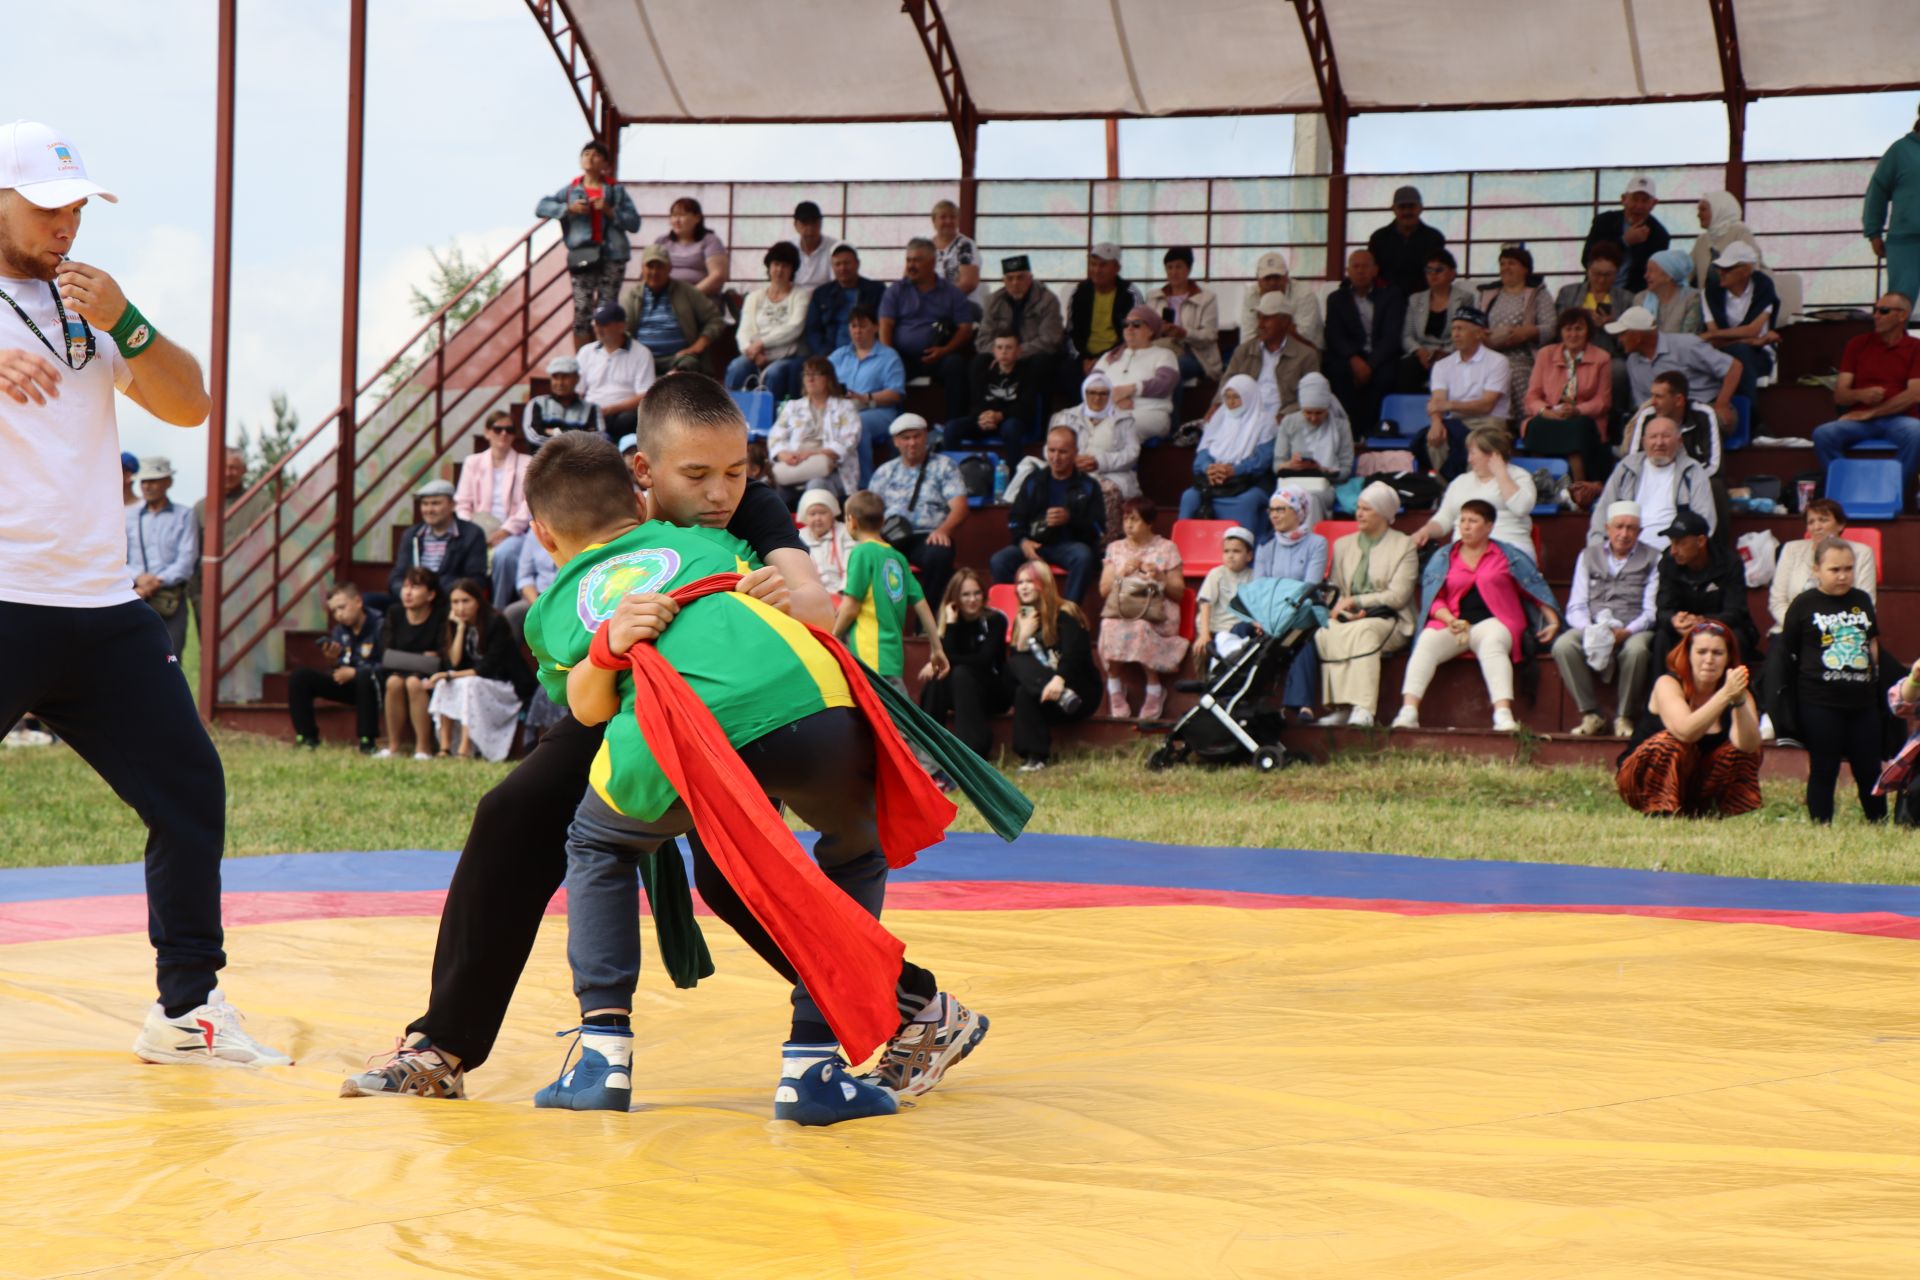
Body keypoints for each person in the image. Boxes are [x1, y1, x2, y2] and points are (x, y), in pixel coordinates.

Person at [340, 373, 842, 1103]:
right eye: (697, 475)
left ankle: (911, 1007)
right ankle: (443, 1045)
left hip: (725, 713)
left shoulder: (750, 509)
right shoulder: (608, 517)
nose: (719, 494)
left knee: (733, 883)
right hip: (631, 703)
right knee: (513, 814)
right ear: (643, 476)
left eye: (734, 473)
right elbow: (578, 688)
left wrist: (783, 594)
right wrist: (604, 653)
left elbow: (816, 606)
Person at [513, 431, 978, 1124]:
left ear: (544, 535)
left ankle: (603, 1057)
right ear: (640, 501)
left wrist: (610, 643)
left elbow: (588, 705)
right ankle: (812, 1069)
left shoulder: (553, 607)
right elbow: (788, 607)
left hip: (679, 737)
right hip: (817, 713)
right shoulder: (709, 544)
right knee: (852, 851)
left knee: (599, 844)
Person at [0, 120, 290, 1065]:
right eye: (47, 206)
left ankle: (187, 1011)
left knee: (187, 789)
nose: (66, 223)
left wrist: (128, 321)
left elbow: (188, 403)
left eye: (77, 206)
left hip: (97, 605)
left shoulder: (90, 302)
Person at [1392, 499, 1561, 733]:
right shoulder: (1444, 556)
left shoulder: (1507, 554)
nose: (1466, 526)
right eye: (1462, 520)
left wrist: (1552, 620)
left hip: (1496, 621)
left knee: (1493, 643)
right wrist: (1449, 620)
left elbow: (1533, 587)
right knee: (1426, 643)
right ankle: (1408, 712)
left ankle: (1503, 715)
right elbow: (1434, 599)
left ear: (1489, 526)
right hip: (1453, 622)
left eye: (1473, 521)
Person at [1773, 539, 1884, 824]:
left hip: (1862, 701)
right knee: (1824, 766)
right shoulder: (1804, 603)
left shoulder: (1861, 599)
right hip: (1819, 701)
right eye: (1835, 569)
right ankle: (1821, 825)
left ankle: (1879, 822)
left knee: (1869, 768)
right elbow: (1790, 649)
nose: (1843, 575)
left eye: (1848, 569)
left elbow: (1871, 641)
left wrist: (1875, 676)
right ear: (1816, 570)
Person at [1615, 621, 1762, 818]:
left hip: (1695, 782)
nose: (1709, 660)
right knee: (1670, 743)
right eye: (1701, 652)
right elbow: (1686, 732)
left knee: (1744, 748)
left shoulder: (1737, 692)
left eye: (1717, 653)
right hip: (1640, 781)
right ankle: (1660, 811)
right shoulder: (1668, 683)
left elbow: (1749, 746)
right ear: (1688, 655)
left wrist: (1738, 702)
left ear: (1728, 659)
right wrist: (1725, 695)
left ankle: (1709, 811)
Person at [1315, 481, 1418, 729]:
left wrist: (1358, 601)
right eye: (1358, 507)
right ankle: (1341, 706)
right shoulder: (1342, 545)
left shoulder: (1404, 545)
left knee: (1365, 631)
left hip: (1390, 618)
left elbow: (1398, 596)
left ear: (1383, 513)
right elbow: (1335, 588)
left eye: (1366, 509)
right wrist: (1343, 608)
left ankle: (1363, 708)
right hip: (1350, 615)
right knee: (1325, 630)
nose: (1358, 513)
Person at [1554, 501, 1660, 738]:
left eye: (1631, 528)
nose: (1624, 534)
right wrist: (1590, 630)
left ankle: (1624, 716)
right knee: (1563, 645)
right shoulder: (1588, 555)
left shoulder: (1653, 557)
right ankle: (1591, 714)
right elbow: (1576, 605)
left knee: (1637, 651)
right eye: (1619, 527)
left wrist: (1628, 631)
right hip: (1593, 625)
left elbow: (1651, 611)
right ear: (1607, 528)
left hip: (1634, 626)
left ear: (1640, 532)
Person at [834, 489, 949, 697]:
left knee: (890, 723)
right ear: (882, 521)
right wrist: (936, 648)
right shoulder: (899, 558)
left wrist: (833, 637)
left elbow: (851, 606)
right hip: (893, 657)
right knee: (895, 717)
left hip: (867, 655)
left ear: (851, 521)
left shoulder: (861, 552)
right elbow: (922, 605)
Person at [1810, 293, 1920, 495]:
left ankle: (1893, 494)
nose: (1876, 315)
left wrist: (1872, 412)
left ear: (1902, 316)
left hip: (1899, 419)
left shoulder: (1916, 347)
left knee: (1916, 432)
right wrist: (1860, 395)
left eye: (1883, 311)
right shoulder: (1857, 344)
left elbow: (1914, 394)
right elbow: (1840, 395)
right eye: (1875, 310)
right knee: (1823, 434)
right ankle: (1847, 489)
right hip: (1859, 420)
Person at [536, 139, 641, 347]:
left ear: (606, 164)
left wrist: (609, 210)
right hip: (582, 255)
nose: (590, 158)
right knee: (582, 309)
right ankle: (585, 365)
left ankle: (607, 355)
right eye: (586, 153)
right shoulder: (571, 190)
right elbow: (541, 207)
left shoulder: (615, 191)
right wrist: (568, 209)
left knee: (607, 310)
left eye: (596, 154)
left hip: (613, 255)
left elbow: (634, 223)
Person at [1097, 496, 1187, 721]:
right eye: (1126, 519)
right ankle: (1115, 688)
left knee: (1140, 626)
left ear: (1148, 523)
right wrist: (1121, 573)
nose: (1128, 525)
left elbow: (1179, 592)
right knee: (1109, 625)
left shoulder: (1167, 548)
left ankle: (1155, 689)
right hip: (1121, 609)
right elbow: (1104, 590)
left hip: (1157, 612)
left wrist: (1160, 576)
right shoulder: (1115, 548)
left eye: (1134, 520)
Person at [989, 426, 1103, 603]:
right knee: (999, 561)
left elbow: (1098, 528)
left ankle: (1068, 614)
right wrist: (1023, 541)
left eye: (1063, 452)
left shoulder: (1088, 485)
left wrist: (1070, 519)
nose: (1056, 458)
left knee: (1083, 556)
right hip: (1035, 545)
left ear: (1075, 452)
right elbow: (1015, 519)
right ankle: (1019, 612)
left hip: (1069, 546)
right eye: (1052, 450)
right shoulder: (1034, 480)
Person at [426, 578, 534, 761]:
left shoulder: (496, 622)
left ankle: (465, 748)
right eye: (455, 602)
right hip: (475, 682)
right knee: (445, 684)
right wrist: (460, 629)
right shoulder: (452, 624)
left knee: (468, 683)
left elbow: (488, 668)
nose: (460, 607)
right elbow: (453, 664)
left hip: (505, 685)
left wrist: (451, 674)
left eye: (465, 601)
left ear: (478, 601)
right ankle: (445, 747)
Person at [1005, 557, 1098, 771]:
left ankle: (1035, 754)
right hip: (1046, 694)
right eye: (1020, 583)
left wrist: (1059, 680)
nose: (1024, 587)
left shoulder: (1066, 613)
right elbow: (1017, 667)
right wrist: (1022, 638)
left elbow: (1076, 655)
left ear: (1044, 583)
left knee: (1023, 682)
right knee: (1020, 684)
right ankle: (1034, 758)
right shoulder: (1023, 618)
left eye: (1030, 581)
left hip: (1077, 692)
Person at [868, 413, 968, 605]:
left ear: (925, 437)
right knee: (868, 553)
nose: (912, 443)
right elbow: (870, 512)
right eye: (906, 438)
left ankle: (928, 619)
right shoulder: (884, 472)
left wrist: (944, 530)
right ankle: (882, 619)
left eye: (917, 436)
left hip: (928, 536)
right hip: (892, 536)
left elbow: (960, 507)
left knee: (940, 552)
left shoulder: (944, 466)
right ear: (896, 442)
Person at [1605, 306, 1741, 439]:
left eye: (1622, 334)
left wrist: (1722, 404)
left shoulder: (1685, 345)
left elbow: (1734, 367)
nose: (1620, 340)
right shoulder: (1632, 362)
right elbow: (1643, 404)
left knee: (1684, 432)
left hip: (1705, 407)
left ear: (1637, 336)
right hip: (1665, 417)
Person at [1250, 486, 1328, 713]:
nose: (1274, 515)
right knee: (1238, 631)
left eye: (1281, 509)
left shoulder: (1317, 543)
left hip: (1301, 610)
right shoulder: (1266, 544)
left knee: (1301, 639)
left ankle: (1300, 705)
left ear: (1298, 511)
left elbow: (1309, 586)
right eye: (1272, 510)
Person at [879, 237, 975, 421]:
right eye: (909, 260)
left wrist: (945, 350)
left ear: (932, 262)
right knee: (888, 368)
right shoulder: (895, 291)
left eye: (917, 260)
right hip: (903, 356)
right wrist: (890, 357)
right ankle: (893, 424)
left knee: (955, 365)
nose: (911, 265)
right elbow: (885, 325)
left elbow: (965, 328)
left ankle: (954, 426)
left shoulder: (951, 292)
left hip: (938, 355)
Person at [917, 568, 1009, 760]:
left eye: (977, 593)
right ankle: (928, 750)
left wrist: (937, 660)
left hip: (994, 690)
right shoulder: (949, 621)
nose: (972, 599)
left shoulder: (995, 620)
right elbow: (946, 659)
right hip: (961, 690)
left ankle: (971, 754)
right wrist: (951, 625)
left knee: (960, 673)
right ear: (955, 598)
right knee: (938, 681)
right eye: (965, 595)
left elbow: (983, 661)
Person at [1589, 416, 1714, 553]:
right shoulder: (1627, 467)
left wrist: (1684, 552)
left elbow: (1705, 520)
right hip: (1625, 551)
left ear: (1679, 442)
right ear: (1644, 442)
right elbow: (1602, 514)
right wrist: (1597, 551)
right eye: (1653, 437)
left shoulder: (1692, 470)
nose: (1659, 443)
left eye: (1666, 436)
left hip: (1672, 555)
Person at [289, 581, 383, 752]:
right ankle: (307, 737)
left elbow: (388, 665)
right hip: (347, 683)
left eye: (342, 607)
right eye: (334, 611)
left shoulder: (380, 625)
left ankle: (367, 740)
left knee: (364, 678)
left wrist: (356, 672)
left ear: (358, 602)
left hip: (374, 686)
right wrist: (332, 661)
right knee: (300, 676)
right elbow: (340, 664)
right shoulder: (340, 630)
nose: (339, 615)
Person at [1521, 308, 1613, 482]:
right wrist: (1544, 411)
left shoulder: (1602, 358)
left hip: (1584, 417)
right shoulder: (1545, 355)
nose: (1573, 334)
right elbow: (1532, 396)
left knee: (1576, 428)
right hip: (1550, 413)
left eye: (1579, 329)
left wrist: (1577, 410)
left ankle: (1580, 487)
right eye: (1568, 329)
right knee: (1537, 425)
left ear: (1588, 332)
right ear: (1560, 332)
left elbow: (1603, 401)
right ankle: (1540, 485)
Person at [1651, 509, 1756, 660]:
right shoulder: (1668, 562)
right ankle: (1661, 683)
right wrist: (1674, 620)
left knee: (1737, 636)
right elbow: (1663, 610)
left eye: (1680, 543)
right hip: (1684, 627)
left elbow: (1735, 612)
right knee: (1662, 636)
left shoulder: (1730, 562)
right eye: (1672, 543)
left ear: (1700, 541)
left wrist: (1703, 622)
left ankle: (1733, 683)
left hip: (1720, 624)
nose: (1673, 551)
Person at [1415, 425, 1536, 555]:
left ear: (1492, 454)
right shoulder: (1460, 481)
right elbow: (1445, 518)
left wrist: (1501, 473)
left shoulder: (1519, 476)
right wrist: (1425, 531)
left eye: (1473, 453)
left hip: (1510, 550)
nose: (1469, 460)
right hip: (1464, 554)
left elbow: (1521, 507)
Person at [455, 410, 532, 607]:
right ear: (487, 432)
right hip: (477, 529)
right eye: (498, 429)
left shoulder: (527, 463)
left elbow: (529, 504)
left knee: (504, 554)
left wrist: (506, 531)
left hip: (514, 532)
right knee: (460, 549)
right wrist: (472, 531)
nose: (503, 434)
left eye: (509, 430)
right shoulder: (473, 462)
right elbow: (463, 503)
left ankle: (498, 609)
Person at [1422, 305, 1510, 477]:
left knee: (1482, 441)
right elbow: (1436, 401)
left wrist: (1448, 404)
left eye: (1461, 329)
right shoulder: (1442, 365)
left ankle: (1476, 492)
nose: (1455, 334)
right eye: (1454, 329)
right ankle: (1446, 491)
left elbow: (1486, 406)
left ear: (1478, 333)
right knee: (1436, 439)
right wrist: (1436, 423)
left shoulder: (1498, 362)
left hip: (1488, 421)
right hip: (1457, 421)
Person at [1324, 247, 1405, 432]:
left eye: (1365, 266)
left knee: (1387, 376)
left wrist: (1370, 365)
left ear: (1375, 270)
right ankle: (1347, 432)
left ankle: (1376, 430)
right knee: (1337, 372)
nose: (1361, 271)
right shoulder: (1336, 298)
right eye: (1356, 266)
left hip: (1380, 356)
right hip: (1351, 356)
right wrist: (1354, 359)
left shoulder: (1391, 295)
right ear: (1348, 271)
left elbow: (1392, 335)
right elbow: (1334, 335)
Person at [1181, 374, 1276, 531]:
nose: (1231, 403)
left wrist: (1233, 470)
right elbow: (1202, 455)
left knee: (1247, 501)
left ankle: (1241, 551)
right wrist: (1209, 468)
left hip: (1248, 483)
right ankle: (1186, 549)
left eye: (1236, 397)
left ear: (1249, 397)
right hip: (1215, 482)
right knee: (1189, 496)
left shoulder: (1265, 422)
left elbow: (1261, 460)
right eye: (1227, 397)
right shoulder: (1219, 418)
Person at [1477, 244, 1556, 426]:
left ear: (1525, 268)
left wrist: (1529, 332)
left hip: (1524, 358)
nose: (1505, 268)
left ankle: (1523, 427)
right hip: (1490, 356)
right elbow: (1475, 324)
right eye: (1502, 263)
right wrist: (1485, 337)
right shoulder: (1488, 294)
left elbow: (1551, 327)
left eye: (1511, 263)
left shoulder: (1539, 294)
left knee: (1513, 374)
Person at [125, 455, 197, 656]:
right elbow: (119, 559)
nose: (147, 486)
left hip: (170, 598)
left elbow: (186, 560)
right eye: (144, 481)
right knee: (132, 657)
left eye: (153, 480)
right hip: (135, 596)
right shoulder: (129, 518)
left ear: (168, 482)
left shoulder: (184, 515)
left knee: (170, 657)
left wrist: (155, 582)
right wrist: (139, 578)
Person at [1055, 371, 1139, 537]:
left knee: (1105, 490)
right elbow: (1049, 448)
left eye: (1103, 393)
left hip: (1110, 474)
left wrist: (1099, 462)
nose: (1097, 398)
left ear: (1110, 395)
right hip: (1070, 470)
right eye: (1091, 393)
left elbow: (1132, 453)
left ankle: (1105, 543)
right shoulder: (1066, 417)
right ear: (1084, 393)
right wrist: (1070, 462)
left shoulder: (1124, 419)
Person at [725, 241, 812, 400]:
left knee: (774, 373)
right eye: (776, 264)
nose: (779, 270)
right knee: (736, 367)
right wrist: (751, 351)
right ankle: (727, 417)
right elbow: (744, 331)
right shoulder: (754, 297)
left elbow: (794, 328)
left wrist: (761, 343)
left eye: (785, 265)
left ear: (792, 269)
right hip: (753, 354)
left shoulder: (800, 296)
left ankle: (769, 420)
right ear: (769, 267)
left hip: (784, 356)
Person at [1214, 291, 1315, 427]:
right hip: (1242, 414)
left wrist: (1287, 414)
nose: (1260, 324)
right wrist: (1216, 405)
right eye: (1259, 317)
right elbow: (1226, 384)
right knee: (1209, 442)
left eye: (1267, 318)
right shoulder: (1244, 351)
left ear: (1285, 322)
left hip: (1281, 418)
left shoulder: (1306, 355)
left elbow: (1311, 396)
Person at [829, 305, 907, 482]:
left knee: (857, 424)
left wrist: (867, 397)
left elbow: (896, 394)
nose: (857, 331)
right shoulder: (839, 355)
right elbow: (821, 377)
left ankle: (865, 484)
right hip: (841, 408)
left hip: (877, 410)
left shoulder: (889, 356)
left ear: (876, 327)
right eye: (854, 326)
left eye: (863, 326)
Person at [377, 566, 447, 760]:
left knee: (414, 683)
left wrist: (408, 659)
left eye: (415, 587)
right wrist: (422, 658)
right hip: (398, 673)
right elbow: (386, 654)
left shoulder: (440, 615)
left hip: (430, 677)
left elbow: (441, 657)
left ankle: (423, 749)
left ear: (431, 594)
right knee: (393, 682)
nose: (407, 592)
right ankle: (393, 747)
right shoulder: (395, 612)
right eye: (405, 586)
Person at [767, 356, 860, 500]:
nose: (810, 379)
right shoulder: (792, 406)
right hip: (796, 464)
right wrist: (783, 455)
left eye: (815, 374)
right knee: (775, 491)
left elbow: (848, 442)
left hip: (834, 471)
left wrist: (813, 453)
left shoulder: (845, 407)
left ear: (828, 379)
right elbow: (775, 436)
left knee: (815, 486)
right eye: (806, 374)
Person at [622, 244, 725, 375]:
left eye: (660, 267)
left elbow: (715, 319)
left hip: (677, 358)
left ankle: (673, 379)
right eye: (650, 266)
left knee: (689, 363)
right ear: (642, 269)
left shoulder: (687, 291)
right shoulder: (631, 296)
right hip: (641, 358)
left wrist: (695, 348)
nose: (654, 272)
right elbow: (622, 330)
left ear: (670, 269)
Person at [1701, 241, 1781, 401]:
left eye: (1727, 269)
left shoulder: (1763, 287)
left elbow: (1752, 330)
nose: (1720, 273)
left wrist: (1714, 336)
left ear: (1746, 270)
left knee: (1740, 355)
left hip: (1759, 355)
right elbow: (1715, 340)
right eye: (1718, 268)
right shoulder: (1710, 292)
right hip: (1722, 352)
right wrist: (1753, 341)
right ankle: (1750, 418)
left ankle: (1746, 415)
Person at [973, 255, 1064, 390]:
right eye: (1010, 278)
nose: (1015, 283)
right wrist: (1001, 353)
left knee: (1041, 363)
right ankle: (981, 410)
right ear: (1003, 281)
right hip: (1000, 356)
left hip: (1033, 354)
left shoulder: (1047, 300)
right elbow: (982, 341)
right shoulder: (993, 301)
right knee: (979, 362)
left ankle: (1039, 410)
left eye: (1020, 277)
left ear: (1030, 278)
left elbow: (1051, 340)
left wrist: (1016, 353)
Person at [389, 478, 488, 599]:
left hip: (450, 600)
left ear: (452, 505)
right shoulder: (411, 534)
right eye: (425, 504)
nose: (429, 510)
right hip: (414, 600)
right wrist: (405, 592)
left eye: (435, 503)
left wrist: (432, 593)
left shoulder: (472, 534)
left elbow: (476, 578)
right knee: (370, 600)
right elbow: (398, 574)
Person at [1094, 306, 1181, 440]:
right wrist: (1112, 403)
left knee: (1114, 427)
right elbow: (1092, 385)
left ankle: (1094, 460)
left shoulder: (1164, 354)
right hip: (1110, 410)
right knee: (1065, 423)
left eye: (1136, 324)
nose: (1129, 328)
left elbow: (1164, 384)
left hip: (1150, 413)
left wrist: (1131, 389)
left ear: (1150, 330)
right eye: (1126, 324)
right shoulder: (1109, 356)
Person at [1273, 372, 1354, 513]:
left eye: (1319, 413)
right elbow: (1276, 466)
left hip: (1325, 486)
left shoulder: (1341, 426)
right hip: (1292, 484)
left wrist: (1323, 471)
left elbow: (1346, 469)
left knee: (1310, 499)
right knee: (1288, 499)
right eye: (1308, 412)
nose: (1313, 418)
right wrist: (1290, 465)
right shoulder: (1289, 422)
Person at [1397, 248, 1475, 394]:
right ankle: (1410, 413)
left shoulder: (1465, 298)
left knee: (1455, 367)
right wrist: (1419, 351)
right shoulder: (1415, 299)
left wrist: (1445, 353)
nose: (1433, 275)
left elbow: (1466, 333)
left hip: (1451, 352)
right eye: (1429, 270)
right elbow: (1407, 336)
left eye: (1439, 270)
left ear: (1452, 273)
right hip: (1422, 353)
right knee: (1405, 368)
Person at [1621, 370, 1724, 479]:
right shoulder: (1647, 415)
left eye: (1659, 396)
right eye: (1652, 395)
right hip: (1655, 479)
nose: (1653, 402)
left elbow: (1713, 466)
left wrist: (1678, 482)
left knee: (1714, 486)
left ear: (1679, 400)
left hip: (1694, 481)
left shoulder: (1704, 414)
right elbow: (1635, 460)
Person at [576, 301, 655, 441]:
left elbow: (645, 395)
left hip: (623, 416)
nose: (598, 329)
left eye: (604, 325)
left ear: (621, 326)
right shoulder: (586, 352)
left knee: (629, 420)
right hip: (591, 413)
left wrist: (609, 409)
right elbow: (578, 390)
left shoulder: (641, 353)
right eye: (596, 324)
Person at [1866, 108, 1920, 305]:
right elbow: (1877, 191)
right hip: (1905, 241)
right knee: (1899, 303)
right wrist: (1874, 233)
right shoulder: (1899, 151)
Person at [950, 332, 1039, 449]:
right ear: (994, 351)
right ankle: (952, 465)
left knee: (1011, 428)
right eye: (999, 347)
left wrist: (1000, 415)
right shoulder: (983, 372)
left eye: (1009, 347)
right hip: (985, 421)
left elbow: (1026, 407)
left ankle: (1013, 467)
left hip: (1009, 421)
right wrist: (984, 416)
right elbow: (976, 402)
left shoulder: (1027, 373)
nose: (1004, 352)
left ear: (1019, 351)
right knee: (952, 428)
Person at [1583, 174, 1670, 294]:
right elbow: (1586, 259)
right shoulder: (1604, 221)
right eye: (1635, 199)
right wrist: (1624, 242)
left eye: (1644, 201)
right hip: (1595, 289)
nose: (1639, 206)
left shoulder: (1659, 235)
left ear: (1653, 204)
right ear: (1623, 199)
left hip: (1631, 296)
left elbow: (1652, 275)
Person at [1145, 246, 1221, 381]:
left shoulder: (1206, 298)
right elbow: (1144, 330)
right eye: (1169, 267)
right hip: (1160, 349)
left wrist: (1184, 333)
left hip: (1195, 354)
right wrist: (1159, 330)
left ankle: (1169, 403)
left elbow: (1210, 335)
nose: (1174, 272)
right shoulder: (1153, 297)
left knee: (1172, 367)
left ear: (1189, 269)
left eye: (1179, 267)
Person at [1068, 242, 1143, 374]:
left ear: (1117, 268)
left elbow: (1135, 335)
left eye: (1103, 265)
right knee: (1062, 370)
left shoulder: (1130, 293)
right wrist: (1083, 359)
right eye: (1093, 264)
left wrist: (1104, 359)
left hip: (1119, 355)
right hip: (1084, 357)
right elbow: (1071, 332)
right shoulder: (1079, 292)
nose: (1097, 270)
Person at [1194, 526, 1257, 674]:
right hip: (1215, 629)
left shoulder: (1253, 576)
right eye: (1226, 551)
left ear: (1249, 556)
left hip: (1239, 631)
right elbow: (1205, 604)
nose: (1230, 555)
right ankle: (1205, 685)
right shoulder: (1216, 574)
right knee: (1201, 650)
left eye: (1236, 551)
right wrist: (1204, 634)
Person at [803, 244, 885, 359]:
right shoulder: (821, 293)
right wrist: (826, 353)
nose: (842, 268)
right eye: (838, 264)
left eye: (847, 263)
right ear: (832, 267)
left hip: (866, 352)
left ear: (857, 264)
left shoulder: (876, 290)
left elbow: (883, 325)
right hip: (829, 353)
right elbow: (812, 330)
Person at [1368, 185, 1448, 299]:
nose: (1407, 212)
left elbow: (1440, 272)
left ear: (1421, 208)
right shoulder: (1379, 238)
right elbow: (1372, 272)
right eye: (1402, 207)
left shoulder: (1434, 238)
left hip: (1425, 299)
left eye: (1411, 206)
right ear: (1393, 209)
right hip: (1386, 300)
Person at [1240, 251, 1323, 353]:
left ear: (1286, 277)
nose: (1272, 283)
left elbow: (1304, 336)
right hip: (1263, 350)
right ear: (1258, 279)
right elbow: (1248, 336)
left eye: (1277, 277)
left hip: (1304, 351)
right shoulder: (1251, 295)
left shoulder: (1305, 294)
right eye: (1268, 278)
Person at [652, 195, 727, 299]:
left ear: (697, 218)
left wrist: (688, 296)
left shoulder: (710, 240)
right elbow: (648, 272)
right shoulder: (662, 241)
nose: (677, 220)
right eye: (673, 215)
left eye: (682, 215)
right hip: (665, 297)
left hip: (699, 299)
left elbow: (718, 275)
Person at [1556, 240, 1633, 339]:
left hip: (1612, 351)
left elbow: (1631, 339)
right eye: (1597, 273)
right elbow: (1558, 328)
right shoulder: (1567, 293)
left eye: (1607, 275)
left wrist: (1613, 325)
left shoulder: (1627, 299)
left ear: (1617, 273)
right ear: (1588, 269)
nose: (1601, 280)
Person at [1691, 190, 1763, 292]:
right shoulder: (1702, 240)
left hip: (1737, 299)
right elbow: (1688, 271)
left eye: (1703, 210)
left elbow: (1752, 266)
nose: (1698, 215)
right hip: (1706, 300)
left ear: (1719, 210)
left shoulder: (1740, 231)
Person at [524, 353, 601, 447]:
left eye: (565, 377)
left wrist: (554, 432)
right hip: (546, 460)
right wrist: (578, 437)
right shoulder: (536, 403)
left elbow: (598, 439)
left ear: (577, 378)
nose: (560, 383)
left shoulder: (592, 408)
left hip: (580, 461)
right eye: (555, 377)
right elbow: (534, 436)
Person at [797, 487, 855, 595]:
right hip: (813, 597)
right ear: (805, 516)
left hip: (845, 593)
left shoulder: (845, 532)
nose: (818, 518)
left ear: (832, 514)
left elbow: (852, 566)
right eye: (812, 514)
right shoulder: (798, 537)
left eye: (822, 513)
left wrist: (843, 592)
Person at [1635, 248, 1704, 335]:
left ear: (1669, 276)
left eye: (1651, 271)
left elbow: (1687, 338)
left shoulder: (1692, 298)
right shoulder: (1640, 299)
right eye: (1647, 270)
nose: (1646, 276)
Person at [504, 527, 556, 640]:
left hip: (569, 594)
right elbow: (525, 577)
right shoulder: (535, 531)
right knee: (513, 613)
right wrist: (537, 605)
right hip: (539, 596)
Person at [928, 199, 979, 296]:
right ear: (934, 221)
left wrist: (939, 299)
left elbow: (968, 283)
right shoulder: (925, 246)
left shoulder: (965, 245)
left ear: (958, 220)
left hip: (957, 304)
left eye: (952, 217)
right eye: (943, 217)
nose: (948, 221)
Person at [786, 200, 842, 288]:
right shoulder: (787, 248)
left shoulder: (835, 247)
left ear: (821, 223)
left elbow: (839, 282)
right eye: (805, 223)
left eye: (814, 223)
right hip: (794, 297)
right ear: (795, 225)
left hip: (824, 297)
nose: (810, 228)